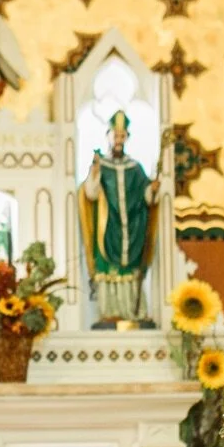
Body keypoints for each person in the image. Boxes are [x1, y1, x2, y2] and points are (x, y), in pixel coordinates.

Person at [78, 110, 160, 327]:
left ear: (127, 138)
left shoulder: (135, 167)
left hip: (132, 227)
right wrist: (94, 173)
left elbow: (146, 197)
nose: (118, 140)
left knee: (131, 269)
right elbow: (91, 193)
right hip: (109, 228)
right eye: (115, 136)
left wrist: (151, 190)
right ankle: (110, 312)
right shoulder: (102, 165)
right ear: (109, 136)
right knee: (109, 267)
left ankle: (133, 312)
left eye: (122, 136)